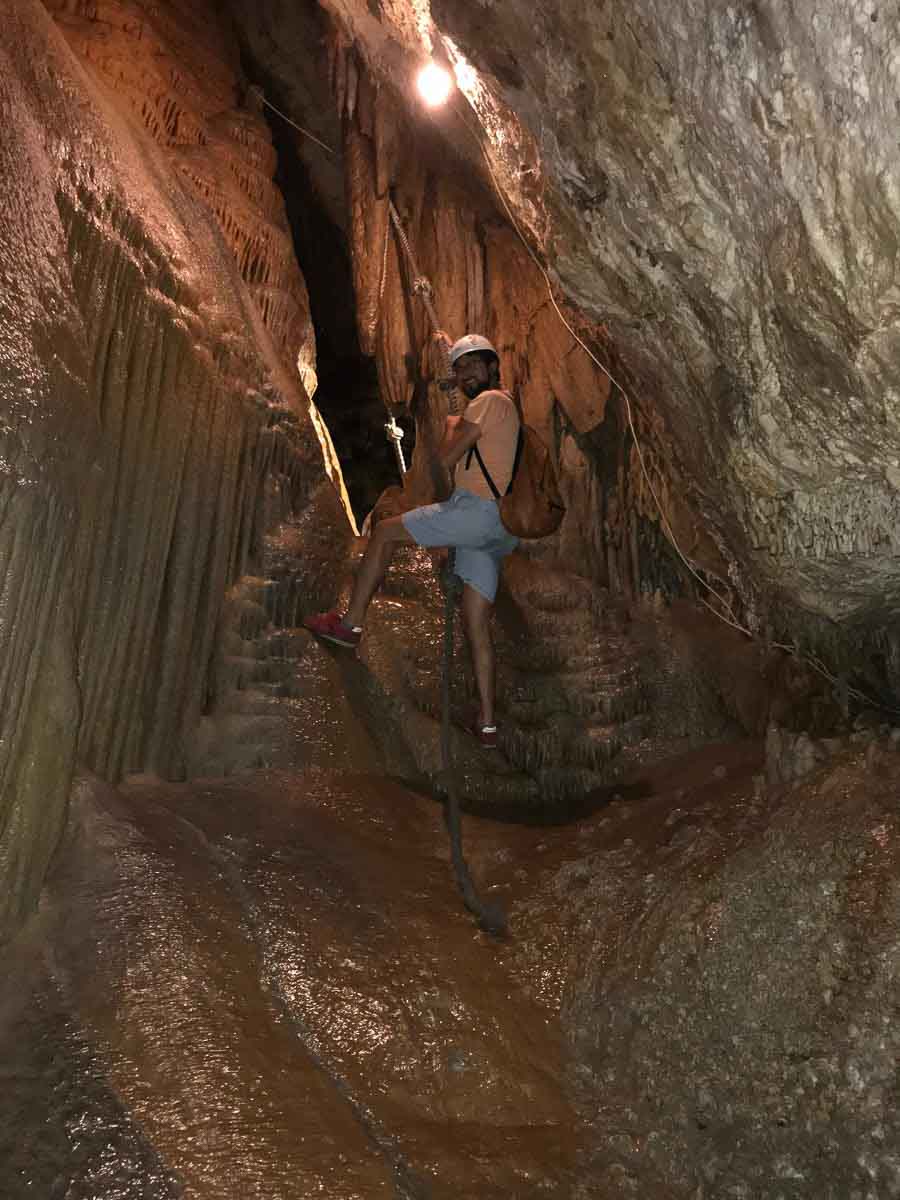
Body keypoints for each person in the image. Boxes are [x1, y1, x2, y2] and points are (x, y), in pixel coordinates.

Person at [304, 333, 521, 749]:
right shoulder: (506, 405)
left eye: (475, 363)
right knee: (475, 620)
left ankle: (349, 626)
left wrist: (452, 421)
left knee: (384, 532)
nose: (466, 372)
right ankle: (488, 724)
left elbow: (446, 457)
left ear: (492, 367)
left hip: (475, 513)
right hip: (496, 529)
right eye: (460, 367)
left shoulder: (489, 402)